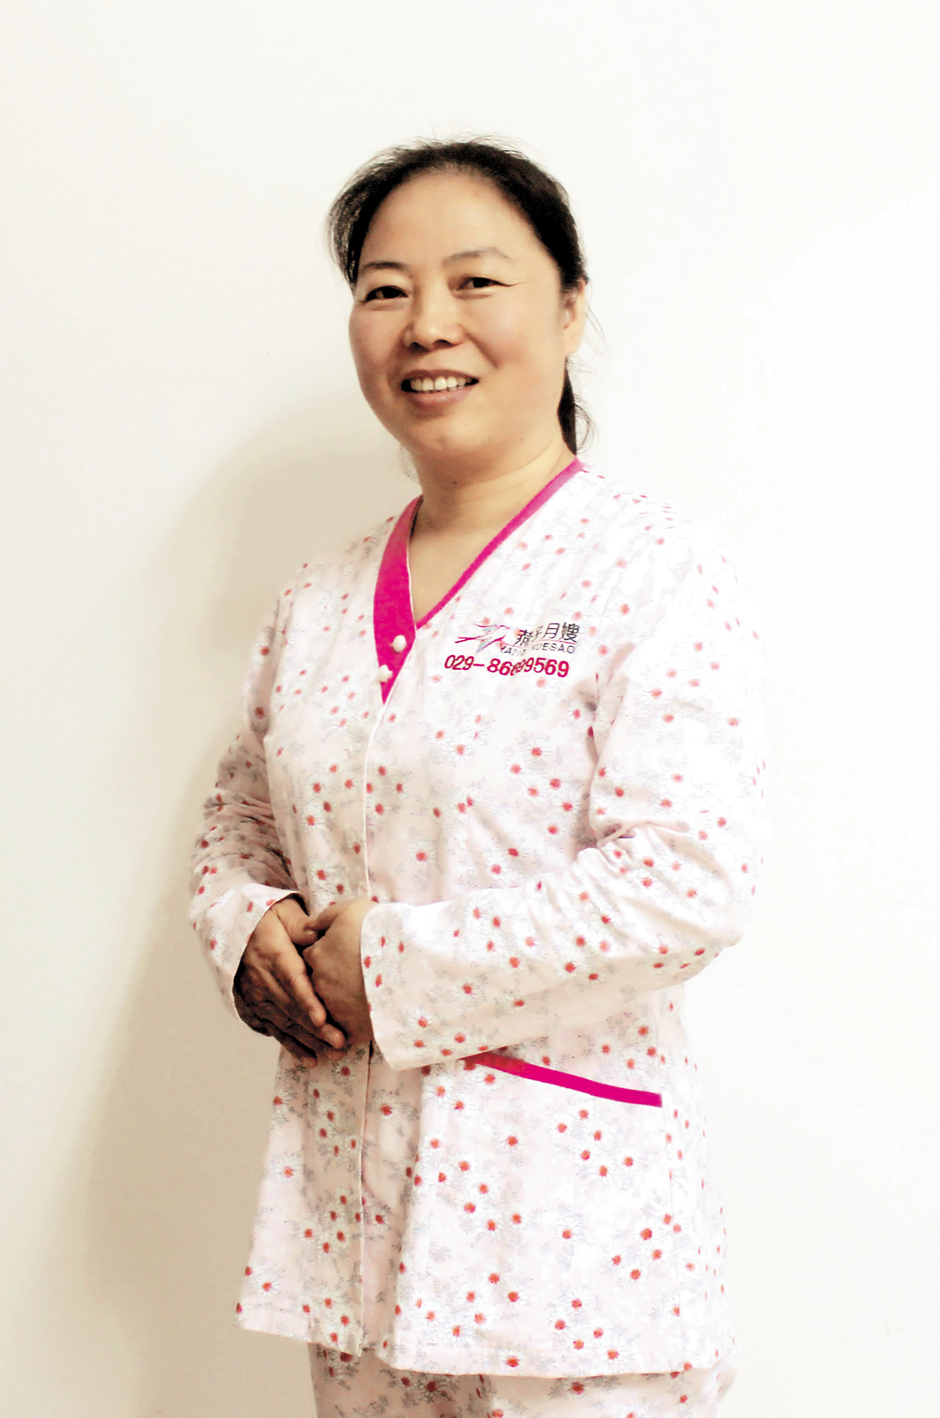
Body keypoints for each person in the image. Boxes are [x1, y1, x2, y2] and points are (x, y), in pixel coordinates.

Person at [189, 137, 767, 1418]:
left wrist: (391, 964)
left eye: (475, 281)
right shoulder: (320, 595)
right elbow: (237, 820)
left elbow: (685, 881)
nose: (425, 325)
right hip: (353, 1225)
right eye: (384, 289)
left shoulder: (649, 568)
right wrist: (246, 927)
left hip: (570, 1239)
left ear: (569, 308)